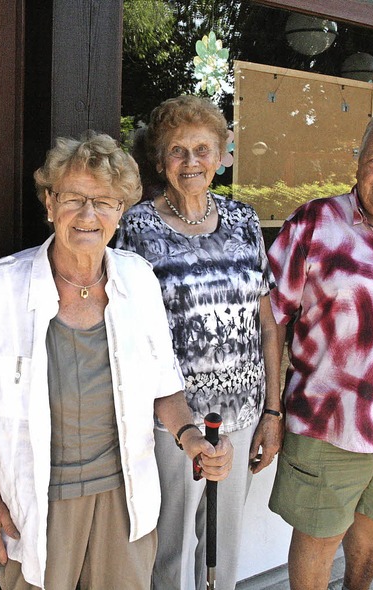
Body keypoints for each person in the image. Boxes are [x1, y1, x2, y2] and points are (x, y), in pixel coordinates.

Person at [0, 132, 233, 590]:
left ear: (121, 210)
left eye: (104, 201)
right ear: (50, 204)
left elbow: (164, 385)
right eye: (73, 198)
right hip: (35, 502)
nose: (88, 215)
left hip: (124, 496)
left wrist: (191, 437)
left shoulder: (138, 279)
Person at [115, 95, 282, 590]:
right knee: (168, 548)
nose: (191, 162)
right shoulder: (136, 227)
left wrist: (272, 412)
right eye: (177, 151)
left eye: (202, 149)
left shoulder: (244, 221)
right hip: (172, 420)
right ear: (160, 159)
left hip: (243, 411)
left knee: (222, 550)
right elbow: (123, 332)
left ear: (221, 154)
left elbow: (268, 325)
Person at [267, 106, 373, 590]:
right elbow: (270, 317)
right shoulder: (316, 223)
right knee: (318, 538)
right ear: (358, 163)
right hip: (327, 422)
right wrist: (272, 411)